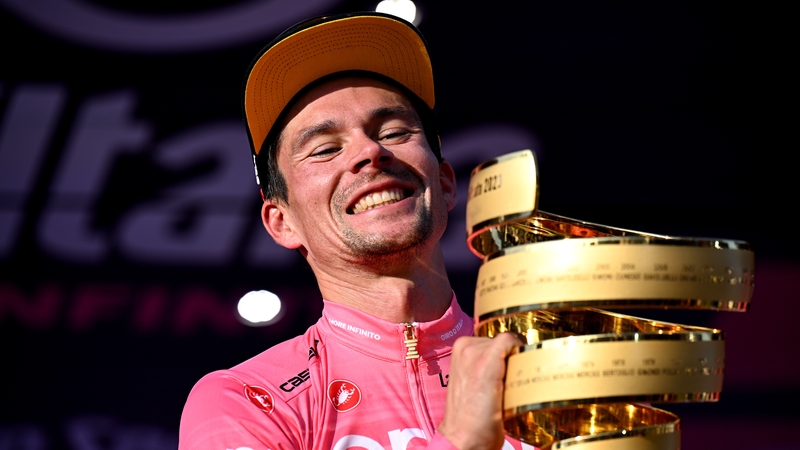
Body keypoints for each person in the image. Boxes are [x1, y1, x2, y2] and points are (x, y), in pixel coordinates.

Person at [178, 12, 525, 450]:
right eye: (325, 149)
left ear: (445, 182)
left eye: (395, 131)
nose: (370, 151)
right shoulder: (248, 400)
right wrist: (461, 442)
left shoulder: (546, 368)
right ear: (282, 222)